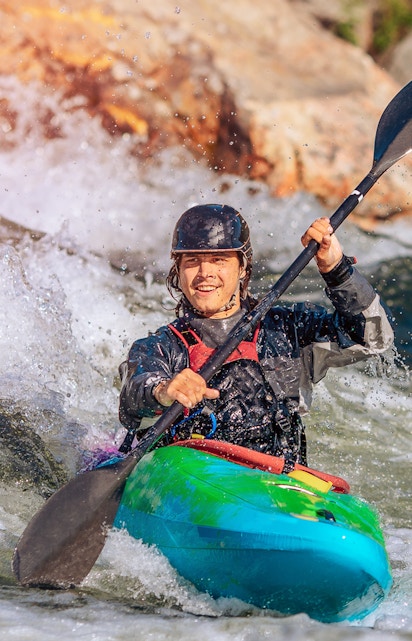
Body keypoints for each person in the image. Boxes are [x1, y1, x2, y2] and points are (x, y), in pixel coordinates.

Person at [118, 204, 393, 470]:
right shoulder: (159, 347)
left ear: (242, 267)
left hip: (276, 489)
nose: (204, 274)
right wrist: (163, 391)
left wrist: (337, 271)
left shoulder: (289, 331)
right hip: (194, 490)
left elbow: (373, 338)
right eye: (192, 261)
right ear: (177, 270)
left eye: (218, 260)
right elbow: (132, 401)